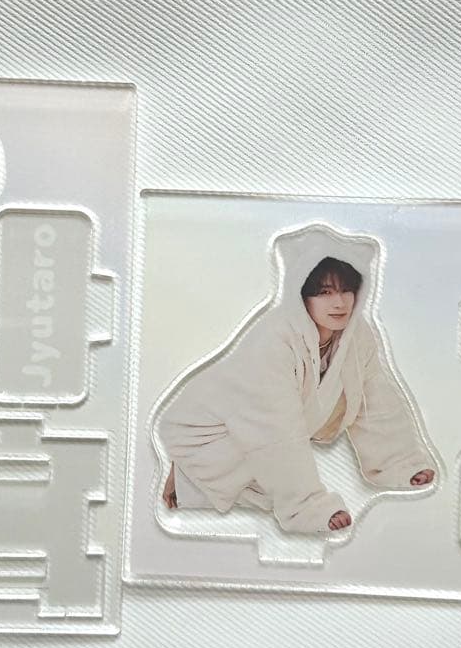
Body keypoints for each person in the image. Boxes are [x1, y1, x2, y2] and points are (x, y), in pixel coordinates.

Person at [158, 227, 436, 534]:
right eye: (324, 292)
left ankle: (387, 464)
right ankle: (185, 476)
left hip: (260, 427)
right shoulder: (274, 339)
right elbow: (276, 429)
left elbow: (376, 401)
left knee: (270, 472)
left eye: (346, 290)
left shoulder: (357, 337)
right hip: (208, 430)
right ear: (301, 295)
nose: (339, 303)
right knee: (260, 462)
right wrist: (308, 507)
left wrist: (401, 463)